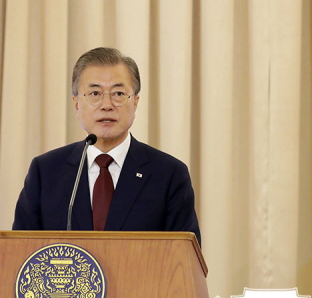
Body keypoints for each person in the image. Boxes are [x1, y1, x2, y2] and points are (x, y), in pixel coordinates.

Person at [13, 47, 200, 245]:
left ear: (135, 103)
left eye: (118, 93)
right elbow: (21, 252)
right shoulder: (46, 172)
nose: (107, 104)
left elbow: (184, 262)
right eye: (95, 93)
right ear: (76, 104)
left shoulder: (168, 174)